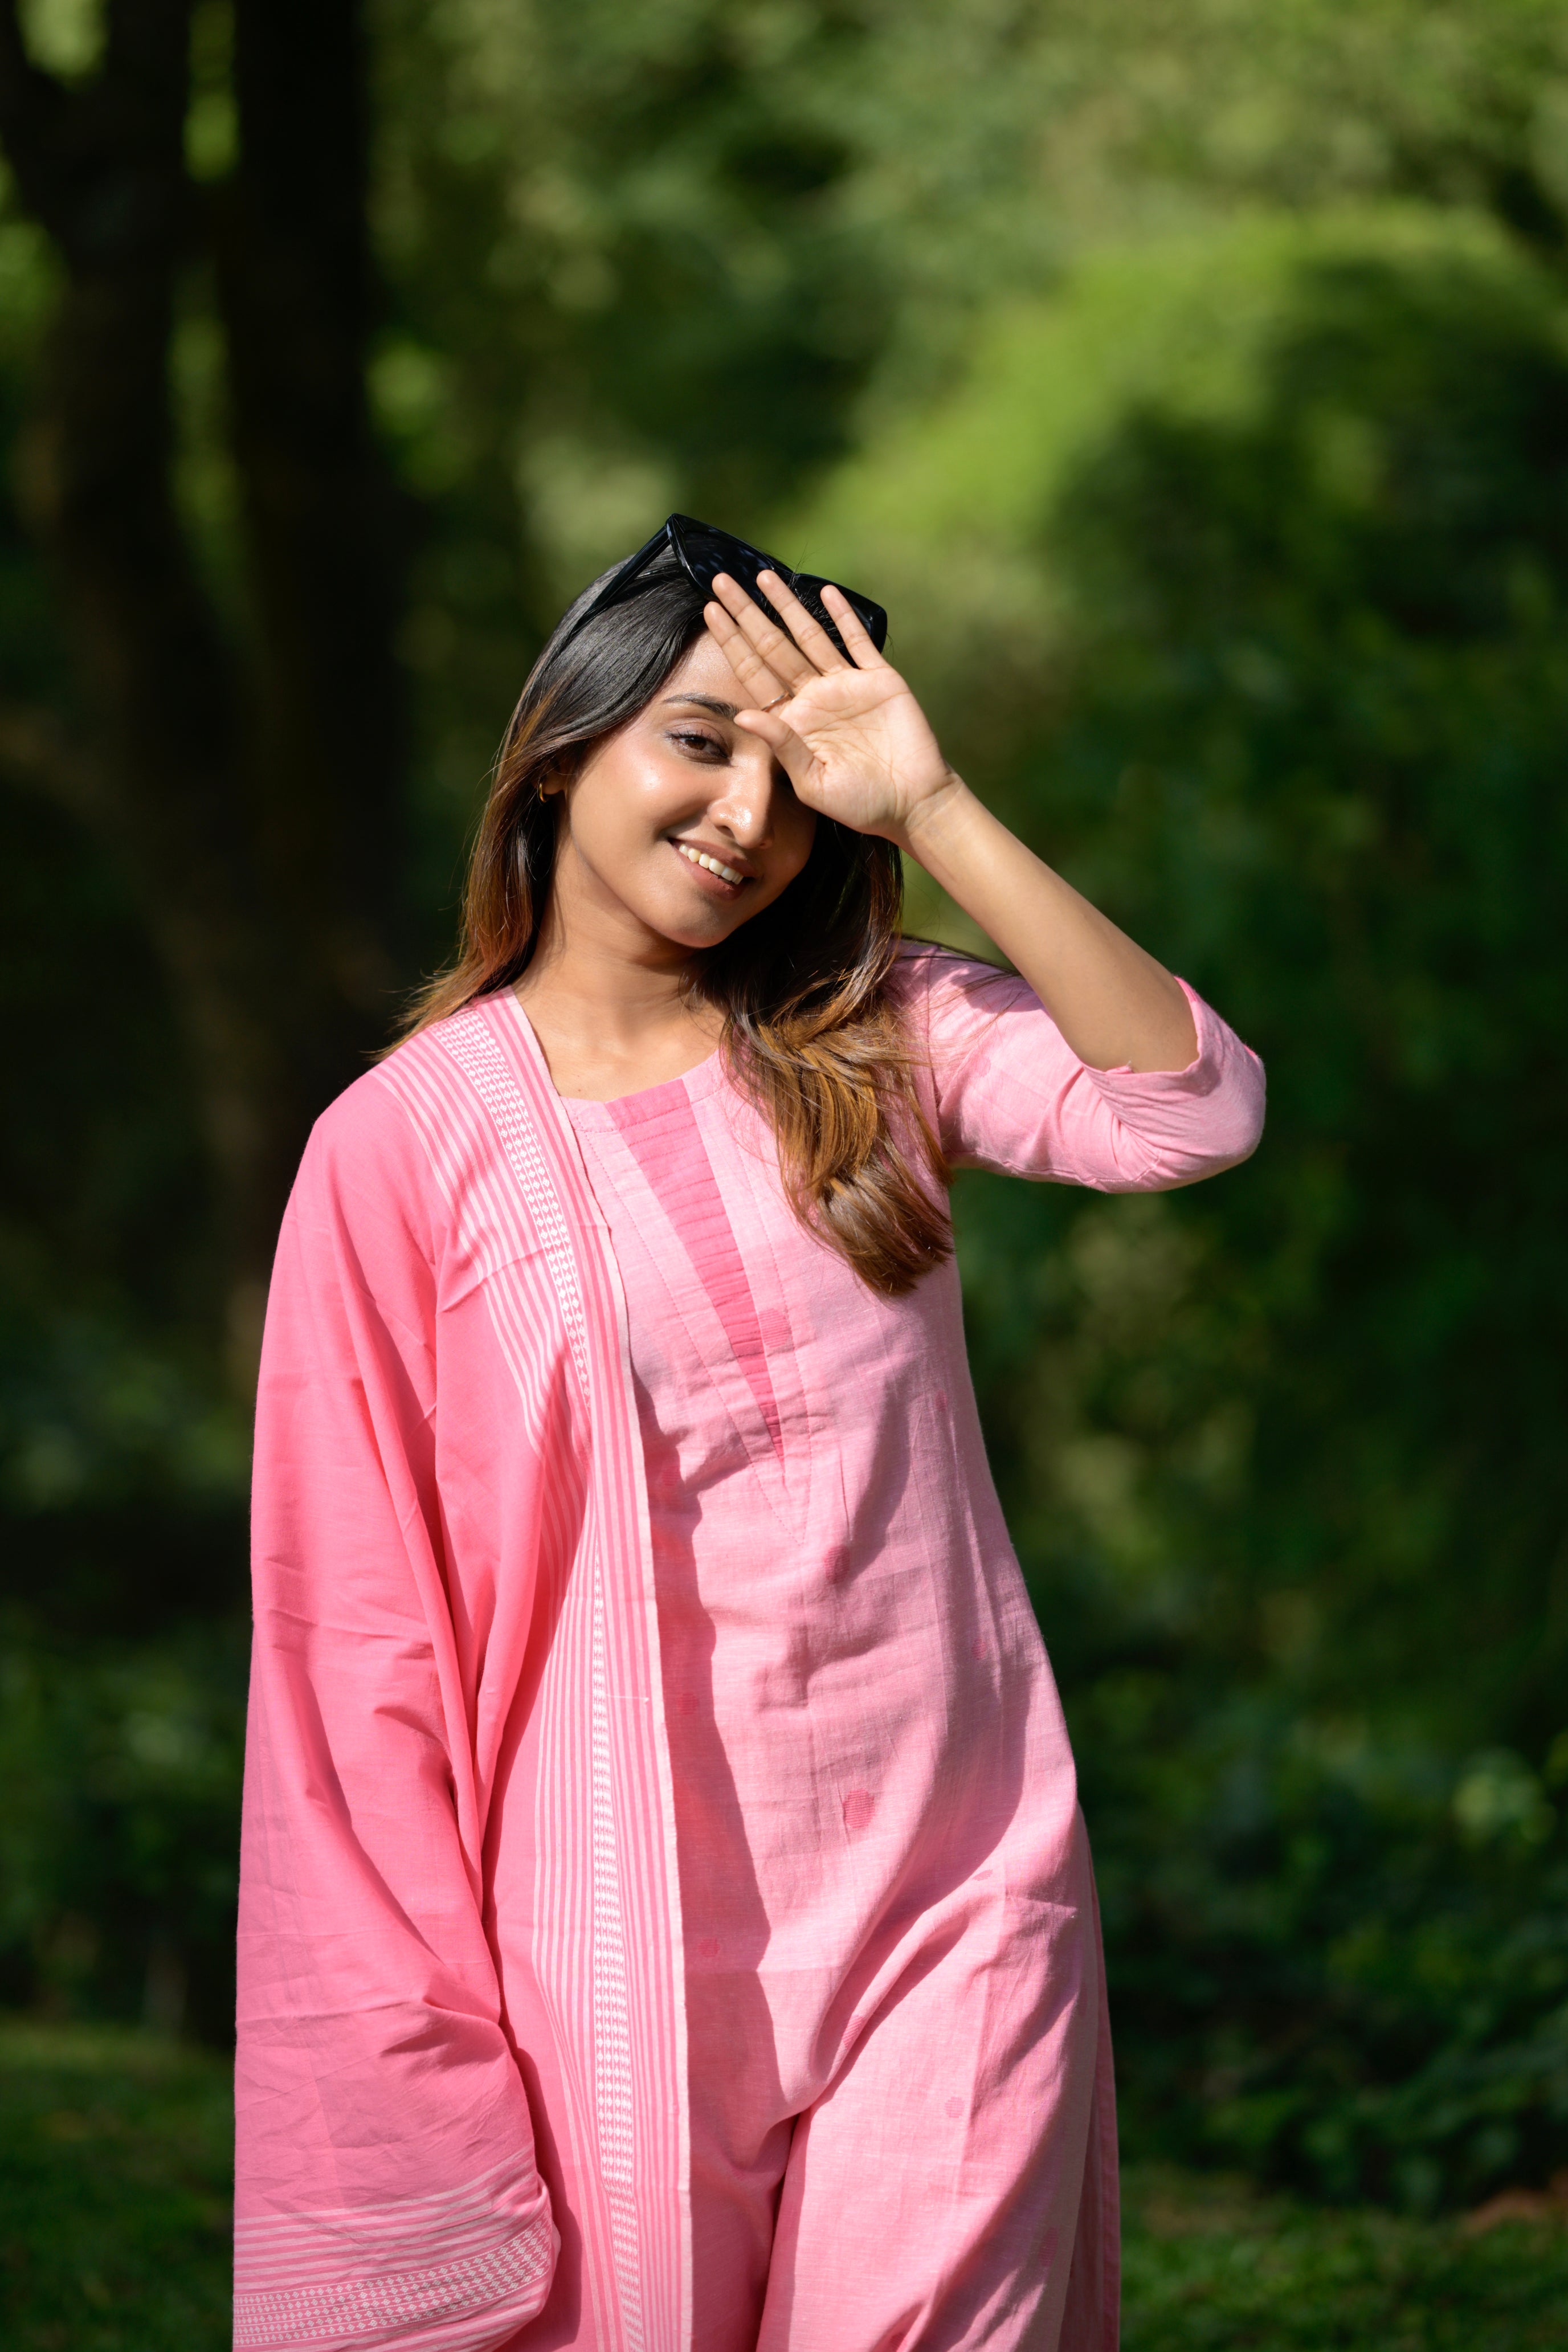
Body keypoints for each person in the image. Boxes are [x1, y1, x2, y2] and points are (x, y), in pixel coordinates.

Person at [235, 519, 1265, 2352]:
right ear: (565, 743)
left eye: (796, 781)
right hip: (618, 1960)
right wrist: (417, 2042)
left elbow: (1185, 1112)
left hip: (959, 1905)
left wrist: (930, 801)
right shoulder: (398, 1155)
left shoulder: (870, 1040)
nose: (746, 816)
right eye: (700, 740)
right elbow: (354, 1650)